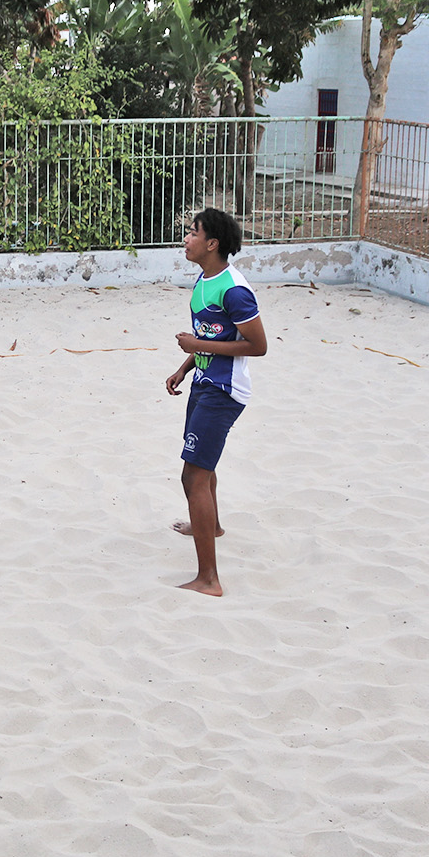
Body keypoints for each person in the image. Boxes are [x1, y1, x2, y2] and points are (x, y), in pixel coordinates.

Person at [164, 207, 267, 596]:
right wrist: (185, 366)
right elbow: (212, 335)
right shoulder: (204, 279)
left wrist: (197, 346)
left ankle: (209, 579)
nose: (186, 239)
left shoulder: (234, 290)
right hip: (204, 381)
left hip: (223, 390)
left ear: (213, 244)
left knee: (192, 476)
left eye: (193, 233)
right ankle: (213, 525)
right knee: (204, 467)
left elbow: (257, 346)